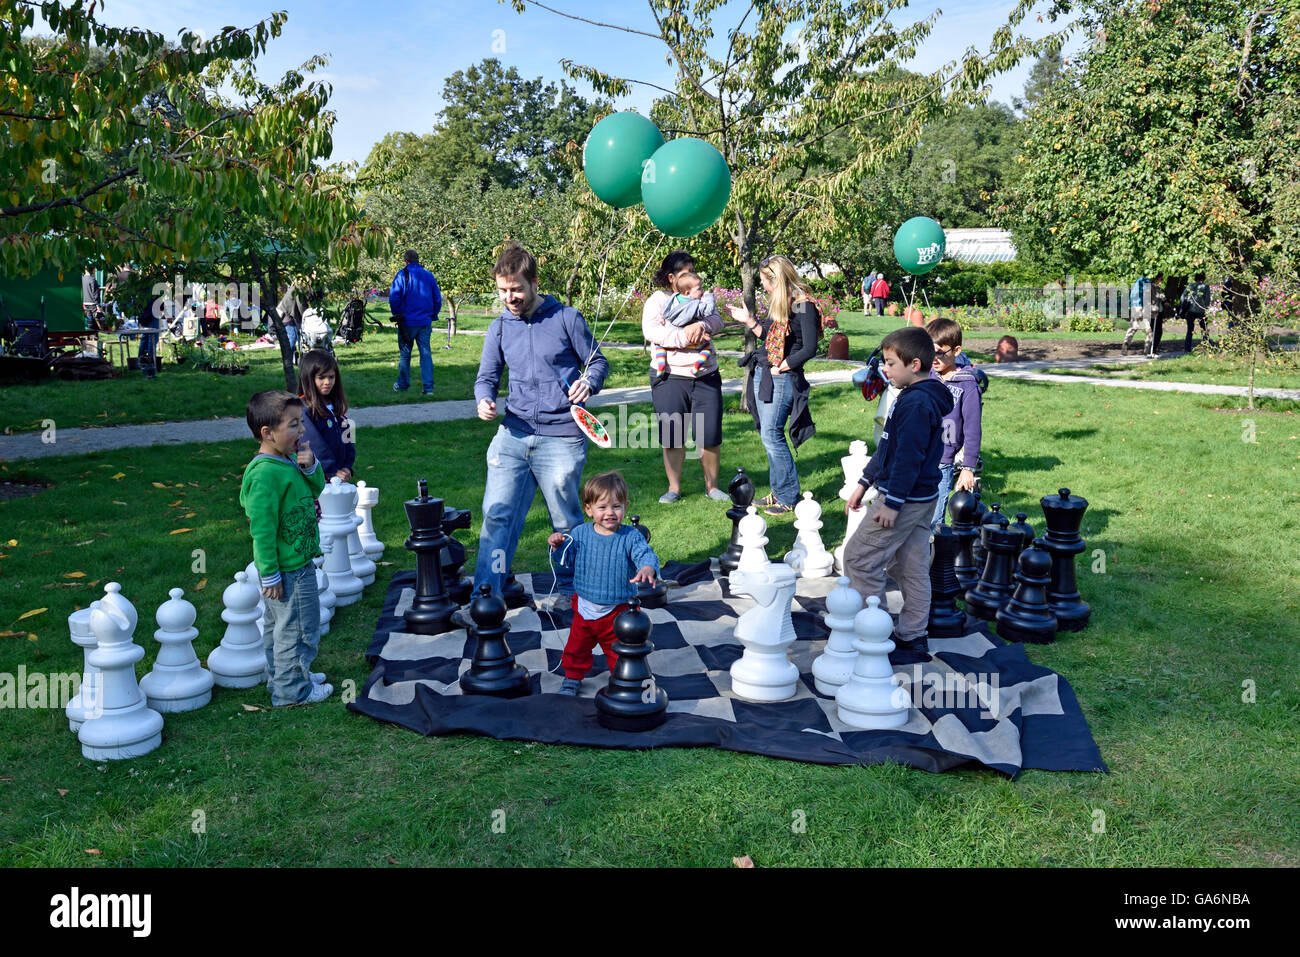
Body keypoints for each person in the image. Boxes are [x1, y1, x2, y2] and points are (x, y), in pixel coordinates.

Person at [473, 242, 609, 600]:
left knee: (565, 523)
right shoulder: (499, 328)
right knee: (497, 519)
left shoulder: (566, 318)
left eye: (516, 289)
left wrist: (589, 381)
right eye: (503, 290)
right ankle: (488, 594)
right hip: (513, 435)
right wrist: (483, 399)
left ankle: (571, 593)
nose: (510, 297)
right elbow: (486, 377)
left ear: (534, 282)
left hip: (562, 437)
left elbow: (598, 362)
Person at [843, 326, 954, 653]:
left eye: (891, 363)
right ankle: (913, 636)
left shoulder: (917, 404)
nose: (885, 369)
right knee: (910, 566)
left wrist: (891, 503)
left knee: (860, 559)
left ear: (915, 365)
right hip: (920, 498)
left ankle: (870, 633)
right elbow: (889, 447)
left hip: (902, 499)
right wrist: (864, 482)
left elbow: (907, 460)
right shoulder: (914, 397)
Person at [239, 390, 332, 706]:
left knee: (280, 628)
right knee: (298, 631)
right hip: (288, 571)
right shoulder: (265, 474)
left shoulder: (286, 460)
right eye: (293, 425)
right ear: (267, 433)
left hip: (298, 564)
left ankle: (284, 677)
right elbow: (262, 532)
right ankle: (293, 692)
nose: (302, 431)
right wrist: (270, 575)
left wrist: (310, 467)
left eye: (301, 423)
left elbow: (317, 488)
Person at [546, 471, 659, 696]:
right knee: (575, 648)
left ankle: (622, 680)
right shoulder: (579, 533)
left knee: (619, 652)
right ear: (588, 509)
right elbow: (565, 561)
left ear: (626, 506)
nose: (610, 513)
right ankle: (571, 678)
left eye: (616, 506)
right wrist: (557, 546)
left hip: (617, 611)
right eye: (602, 507)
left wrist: (648, 567)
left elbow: (645, 554)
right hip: (584, 607)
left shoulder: (631, 537)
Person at [728, 255, 820, 516]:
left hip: (782, 377)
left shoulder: (803, 305)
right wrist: (749, 322)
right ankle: (779, 491)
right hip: (767, 371)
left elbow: (810, 347)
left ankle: (788, 496)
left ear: (776, 280)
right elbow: (770, 336)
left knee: (772, 435)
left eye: (765, 282)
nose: (763, 287)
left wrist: (783, 365)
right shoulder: (782, 304)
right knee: (768, 435)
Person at [641, 251, 728, 504]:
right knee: (672, 435)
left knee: (709, 434)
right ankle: (674, 488)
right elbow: (653, 331)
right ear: (671, 278)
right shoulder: (658, 301)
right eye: (684, 273)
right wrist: (686, 338)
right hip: (670, 376)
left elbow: (717, 320)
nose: (691, 276)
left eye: (692, 271)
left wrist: (701, 326)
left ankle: (712, 487)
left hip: (705, 374)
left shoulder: (700, 295)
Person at [925, 317, 983, 526]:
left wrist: (968, 467)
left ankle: (936, 558)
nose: (934, 357)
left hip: (941, 462)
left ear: (956, 351)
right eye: (930, 351)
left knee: (933, 523)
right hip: (917, 458)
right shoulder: (925, 377)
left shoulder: (967, 387)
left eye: (941, 352)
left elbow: (972, 430)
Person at [388, 249, 442, 396]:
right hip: (424, 321)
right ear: (418, 260)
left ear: (405, 261)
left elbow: (394, 297)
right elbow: (437, 298)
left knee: (405, 354)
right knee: (425, 354)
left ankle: (403, 384)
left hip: (407, 322)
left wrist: (397, 314)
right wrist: (433, 314)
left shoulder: (402, 274)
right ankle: (428, 388)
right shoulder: (428, 275)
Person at [297, 349, 354, 483]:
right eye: (321, 377)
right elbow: (313, 444)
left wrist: (347, 467)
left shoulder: (337, 407)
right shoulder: (304, 409)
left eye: (331, 377)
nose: (327, 382)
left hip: (339, 476)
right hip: (318, 478)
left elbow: (349, 439)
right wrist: (331, 470)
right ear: (309, 378)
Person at [651, 271, 716, 378]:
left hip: (671, 336)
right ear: (687, 293)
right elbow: (708, 311)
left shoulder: (673, 299)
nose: (702, 290)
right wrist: (709, 297)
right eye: (699, 289)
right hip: (693, 340)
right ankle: (696, 366)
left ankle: (661, 363)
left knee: (659, 346)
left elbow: (665, 311)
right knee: (707, 348)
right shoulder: (695, 304)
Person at [1181, 273, 1211, 352]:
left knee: (1189, 330)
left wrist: (1185, 304)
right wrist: (1206, 307)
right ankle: (1206, 347)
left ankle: (1187, 349)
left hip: (1190, 310)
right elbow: (1207, 300)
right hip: (1201, 311)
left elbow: (1182, 297)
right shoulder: (1205, 286)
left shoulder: (1190, 286)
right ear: (1203, 278)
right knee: (1204, 330)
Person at [1124, 273, 1153, 352]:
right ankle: (1147, 349)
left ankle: (1126, 343)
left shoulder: (1137, 282)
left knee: (1133, 326)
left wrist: (1130, 305)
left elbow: (1131, 295)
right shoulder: (1147, 282)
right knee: (1148, 328)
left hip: (1134, 306)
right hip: (1143, 306)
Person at [276, 284, 305, 356]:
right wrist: (305, 316)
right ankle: (288, 356)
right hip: (285, 313)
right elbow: (301, 305)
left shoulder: (297, 288)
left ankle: (292, 355)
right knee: (293, 336)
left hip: (287, 313)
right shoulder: (299, 289)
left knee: (295, 335)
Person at [1145, 273, 1166, 357]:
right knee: (1156, 332)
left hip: (1157, 311)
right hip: (1154, 312)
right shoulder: (1152, 287)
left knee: (1157, 332)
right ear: (1156, 279)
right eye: (1161, 279)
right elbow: (1158, 297)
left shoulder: (1155, 287)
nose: (1161, 281)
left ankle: (1152, 350)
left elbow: (1162, 297)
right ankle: (1151, 351)